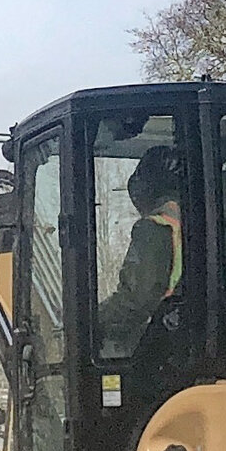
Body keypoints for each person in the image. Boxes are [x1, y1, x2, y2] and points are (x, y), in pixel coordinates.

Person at [98, 144, 185, 355]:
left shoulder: (157, 227)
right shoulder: (215, 226)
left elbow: (137, 299)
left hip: (169, 350)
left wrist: (92, 321)